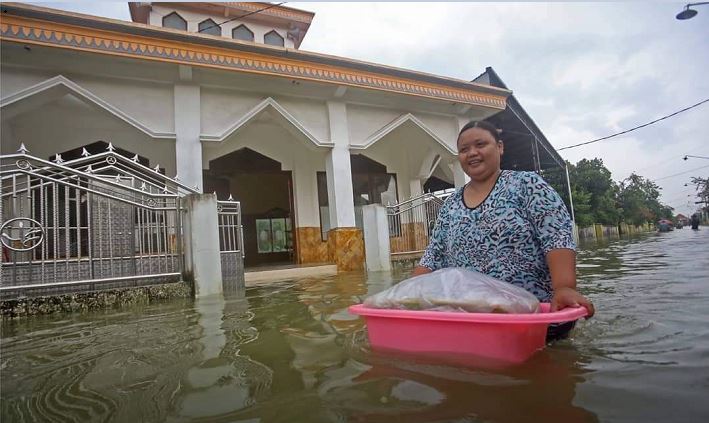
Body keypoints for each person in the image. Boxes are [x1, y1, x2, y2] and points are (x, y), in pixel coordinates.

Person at [413, 120, 595, 340]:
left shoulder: (527, 185)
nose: (472, 153)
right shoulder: (450, 205)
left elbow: (557, 237)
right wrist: (402, 296)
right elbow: (433, 256)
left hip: (535, 318)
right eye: (464, 149)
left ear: (499, 147)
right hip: (472, 321)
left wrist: (564, 287)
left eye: (480, 144)